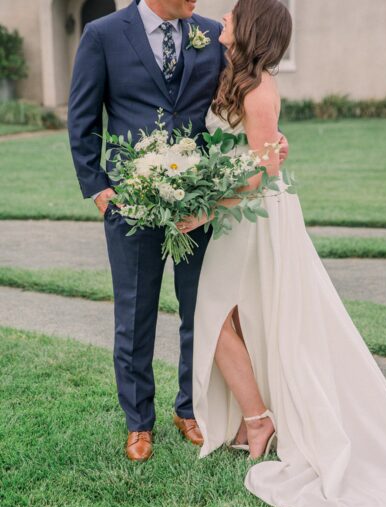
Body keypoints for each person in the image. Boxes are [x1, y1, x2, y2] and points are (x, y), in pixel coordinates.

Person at [177, 0, 386, 507]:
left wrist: (203, 210)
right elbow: (250, 154)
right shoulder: (238, 78)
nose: (223, 20)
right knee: (228, 316)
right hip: (240, 218)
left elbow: (260, 174)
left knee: (223, 316)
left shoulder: (257, 92)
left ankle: (259, 419)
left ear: (250, 26)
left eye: (233, 14)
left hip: (256, 219)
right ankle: (253, 418)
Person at [68, 0, 289, 463]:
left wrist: (267, 147)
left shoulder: (211, 34)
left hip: (201, 204)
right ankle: (138, 423)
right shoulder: (103, 35)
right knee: (134, 313)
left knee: (202, 309)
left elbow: (246, 94)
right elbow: (83, 119)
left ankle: (189, 410)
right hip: (131, 204)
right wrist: (100, 191)